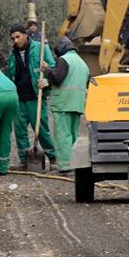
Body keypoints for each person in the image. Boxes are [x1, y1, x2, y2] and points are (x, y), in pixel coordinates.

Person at [6, 23, 58, 170]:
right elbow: (10, 76)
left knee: (41, 129)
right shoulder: (12, 55)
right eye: (13, 38)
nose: (16, 40)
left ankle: (53, 159)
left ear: (25, 35)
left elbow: (54, 69)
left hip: (36, 97)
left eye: (18, 37)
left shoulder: (41, 48)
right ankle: (24, 160)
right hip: (18, 98)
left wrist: (47, 78)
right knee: (20, 130)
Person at [41, 36, 90, 174]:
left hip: (63, 103)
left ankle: (64, 166)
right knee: (73, 135)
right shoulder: (82, 63)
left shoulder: (64, 60)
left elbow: (57, 78)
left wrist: (48, 70)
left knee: (63, 135)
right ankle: (75, 164)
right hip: (77, 104)